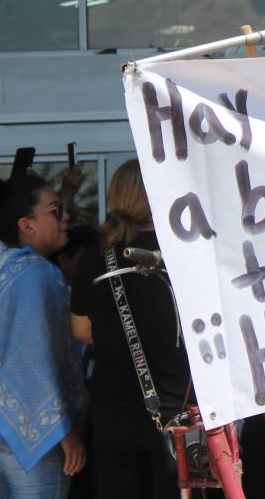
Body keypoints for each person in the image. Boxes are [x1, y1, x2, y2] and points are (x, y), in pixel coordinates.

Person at [71, 159, 189, 499]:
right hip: (176, 411)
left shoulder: (98, 256)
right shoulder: (182, 249)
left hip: (113, 411)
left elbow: (80, 330)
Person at [0, 171, 88, 498]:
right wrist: (62, 431)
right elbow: (31, 360)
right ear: (27, 225)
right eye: (55, 210)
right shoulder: (36, 273)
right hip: (25, 432)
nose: (66, 217)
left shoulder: (0, 267)